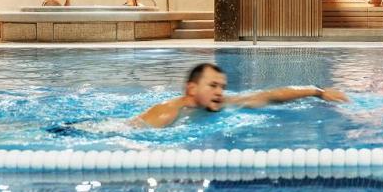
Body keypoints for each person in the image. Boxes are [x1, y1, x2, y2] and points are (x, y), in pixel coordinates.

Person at [132, 63, 349, 128]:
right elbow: (129, 132)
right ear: (192, 89)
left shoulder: (222, 102)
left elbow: (269, 96)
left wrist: (317, 92)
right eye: (213, 86)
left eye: (222, 86)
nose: (219, 92)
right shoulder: (166, 113)